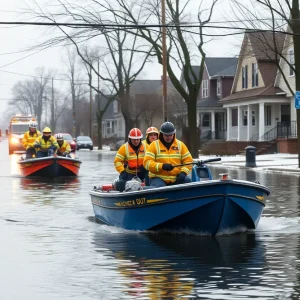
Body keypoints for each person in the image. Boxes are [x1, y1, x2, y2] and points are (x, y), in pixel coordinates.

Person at [143, 121, 193, 187]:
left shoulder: (180, 145)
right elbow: (147, 163)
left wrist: (183, 172)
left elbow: (188, 161)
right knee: (160, 188)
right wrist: (162, 166)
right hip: (158, 178)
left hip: (176, 178)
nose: (169, 137)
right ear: (161, 134)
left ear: (174, 134)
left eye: (171, 135)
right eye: (166, 135)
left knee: (188, 182)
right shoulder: (154, 145)